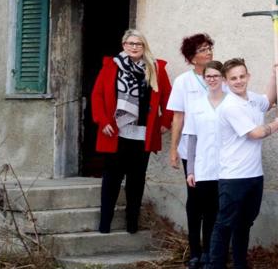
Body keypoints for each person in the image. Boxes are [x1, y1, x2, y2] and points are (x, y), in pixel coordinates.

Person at [207, 58, 278, 269]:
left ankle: (240, 264)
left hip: (254, 175)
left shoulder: (251, 99)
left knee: (244, 224)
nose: (239, 81)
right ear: (225, 81)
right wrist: (275, 125)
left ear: (248, 76)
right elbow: (255, 133)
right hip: (233, 176)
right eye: (233, 78)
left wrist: (274, 74)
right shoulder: (230, 107)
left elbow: (268, 100)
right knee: (225, 224)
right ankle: (216, 265)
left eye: (242, 76)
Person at [90, 29, 172, 234]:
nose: (134, 47)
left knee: (136, 180)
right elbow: (97, 95)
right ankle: (105, 222)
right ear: (124, 45)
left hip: (143, 134)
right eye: (131, 43)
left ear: (144, 47)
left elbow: (169, 99)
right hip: (116, 132)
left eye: (139, 44)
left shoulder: (156, 68)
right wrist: (102, 121)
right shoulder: (111, 66)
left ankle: (132, 223)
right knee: (112, 178)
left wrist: (165, 122)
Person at [168, 32, 217, 267]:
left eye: (209, 48)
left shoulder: (219, 77)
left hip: (215, 150)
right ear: (192, 57)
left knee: (212, 202)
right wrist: (174, 149)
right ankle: (195, 252)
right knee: (195, 199)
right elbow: (178, 117)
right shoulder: (183, 81)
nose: (208, 52)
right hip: (192, 149)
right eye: (203, 50)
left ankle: (209, 250)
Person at [183, 61, 226, 269]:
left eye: (216, 76)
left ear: (223, 78)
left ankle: (210, 253)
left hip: (224, 169)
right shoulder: (197, 104)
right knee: (196, 212)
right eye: (208, 76)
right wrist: (190, 169)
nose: (212, 79)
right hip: (201, 168)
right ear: (204, 79)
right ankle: (195, 253)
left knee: (214, 214)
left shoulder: (230, 103)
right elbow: (191, 139)